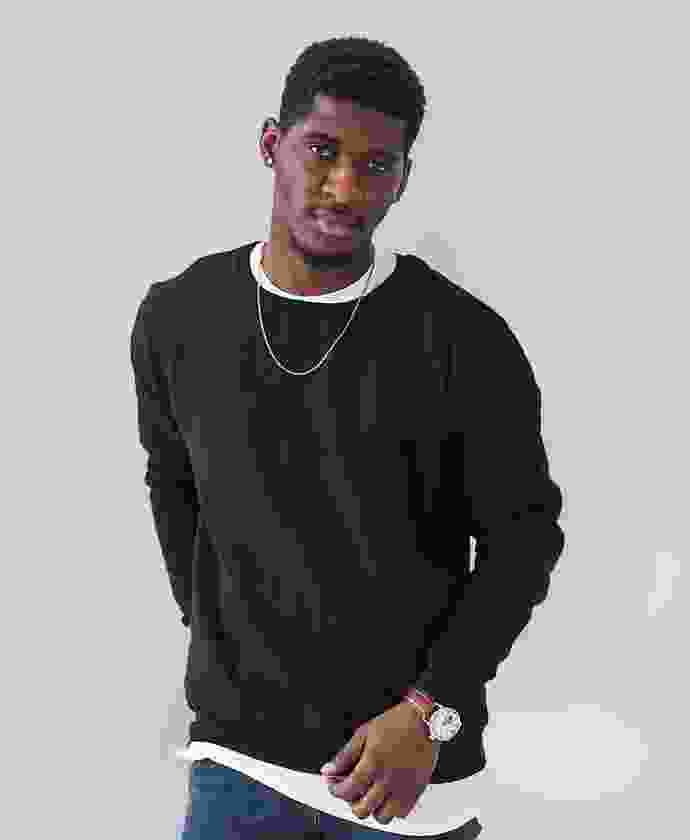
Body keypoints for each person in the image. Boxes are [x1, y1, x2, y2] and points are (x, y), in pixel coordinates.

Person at [130, 35, 565, 839]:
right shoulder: (178, 317)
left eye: (376, 165)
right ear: (271, 145)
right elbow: (174, 486)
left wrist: (430, 710)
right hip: (238, 765)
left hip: (405, 787)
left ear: (403, 178)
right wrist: (225, 643)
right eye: (322, 151)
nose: (343, 187)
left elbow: (524, 540)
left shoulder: (462, 339)